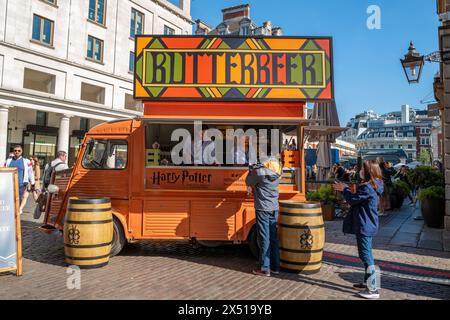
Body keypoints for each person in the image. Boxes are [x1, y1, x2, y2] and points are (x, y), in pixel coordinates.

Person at [333, 160, 383, 299]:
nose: (359, 171)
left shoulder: (367, 187)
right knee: (367, 254)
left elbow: (352, 200)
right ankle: (368, 282)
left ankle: (373, 289)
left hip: (364, 225)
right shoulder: (376, 185)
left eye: (362, 169)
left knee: (366, 256)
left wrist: (345, 189)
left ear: (368, 172)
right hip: (369, 223)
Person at [245, 157, 282, 277]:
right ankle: (275, 267)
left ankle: (265, 268)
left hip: (263, 209)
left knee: (264, 238)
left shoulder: (260, 173)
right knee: (273, 238)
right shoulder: (277, 174)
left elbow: (248, 181)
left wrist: (252, 169)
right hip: (274, 208)